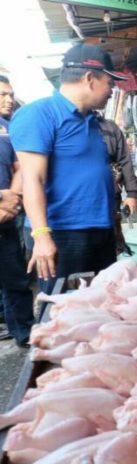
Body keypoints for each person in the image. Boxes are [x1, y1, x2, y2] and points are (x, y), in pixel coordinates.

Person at [11, 44, 127, 293]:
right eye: (109, 82)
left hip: (99, 231)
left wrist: (113, 226)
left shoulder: (91, 120)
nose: (112, 90)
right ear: (89, 79)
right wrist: (41, 236)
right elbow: (33, 179)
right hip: (63, 235)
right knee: (63, 314)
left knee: (104, 308)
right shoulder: (39, 114)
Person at [0, 76, 34, 347]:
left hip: (5, 219)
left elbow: (21, 166)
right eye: (2, 94)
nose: (9, 100)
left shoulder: (10, 129)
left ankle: (25, 333)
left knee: (16, 281)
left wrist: (12, 196)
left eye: (10, 94)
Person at [97, 115, 137, 255]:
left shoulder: (110, 127)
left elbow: (125, 160)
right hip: (82, 197)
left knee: (112, 236)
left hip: (111, 194)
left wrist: (132, 193)